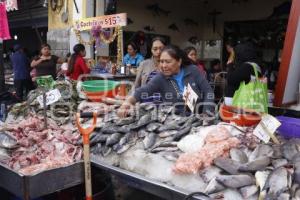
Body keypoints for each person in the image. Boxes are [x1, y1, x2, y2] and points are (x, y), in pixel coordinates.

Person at [118, 45, 214, 117]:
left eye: (167, 62)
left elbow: (208, 91)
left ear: (179, 61)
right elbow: (143, 90)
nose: (163, 65)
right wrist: (127, 102)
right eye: (161, 61)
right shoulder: (161, 78)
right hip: (176, 121)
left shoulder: (192, 70)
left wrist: (206, 113)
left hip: (198, 116)